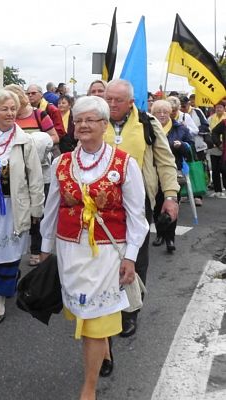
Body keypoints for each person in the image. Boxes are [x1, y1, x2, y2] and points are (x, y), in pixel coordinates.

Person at [40, 95, 148, 400]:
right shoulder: (62, 162)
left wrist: (131, 257)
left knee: (95, 320)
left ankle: (88, 388)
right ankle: (105, 352)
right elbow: (52, 209)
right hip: (70, 251)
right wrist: (46, 248)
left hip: (107, 254)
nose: (83, 125)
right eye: (79, 120)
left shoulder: (124, 163)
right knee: (80, 311)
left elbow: (136, 216)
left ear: (104, 125)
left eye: (91, 120)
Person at [104, 79, 179, 337]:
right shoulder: (96, 120)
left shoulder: (148, 123)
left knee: (136, 257)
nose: (111, 105)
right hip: (101, 204)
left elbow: (166, 162)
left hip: (138, 203)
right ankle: (105, 304)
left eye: (118, 100)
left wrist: (170, 196)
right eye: (108, 99)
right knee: (105, 256)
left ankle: (131, 310)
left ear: (131, 102)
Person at [0, 90, 44, 323]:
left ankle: (1, 296)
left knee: (9, 252)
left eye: (13, 109)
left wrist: (37, 210)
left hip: (14, 206)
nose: (10, 113)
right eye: (5, 109)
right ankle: (5, 281)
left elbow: (34, 178)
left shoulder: (25, 141)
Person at [5, 84, 56, 267]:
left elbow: (54, 136)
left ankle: (36, 249)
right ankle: (12, 248)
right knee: (18, 208)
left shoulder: (39, 114)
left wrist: (35, 142)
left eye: (12, 103)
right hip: (17, 172)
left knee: (38, 211)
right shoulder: (9, 118)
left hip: (40, 171)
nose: (10, 108)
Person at [151, 100, 194, 252]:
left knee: (171, 205)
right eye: (158, 112)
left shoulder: (180, 128)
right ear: (153, 113)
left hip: (173, 172)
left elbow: (191, 149)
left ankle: (170, 238)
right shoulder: (149, 128)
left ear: (170, 112)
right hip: (153, 173)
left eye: (165, 111)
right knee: (156, 207)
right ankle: (160, 234)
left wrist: (181, 145)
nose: (162, 115)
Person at [208, 100, 226, 197]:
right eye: (217, 107)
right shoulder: (210, 118)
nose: (218, 109)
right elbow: (210, 131)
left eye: (220, 107)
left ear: (224, 108)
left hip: (224, 148)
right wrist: (217, 143)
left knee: (224, 169)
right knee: (215, 169)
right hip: (215, 146)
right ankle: (217, 190)